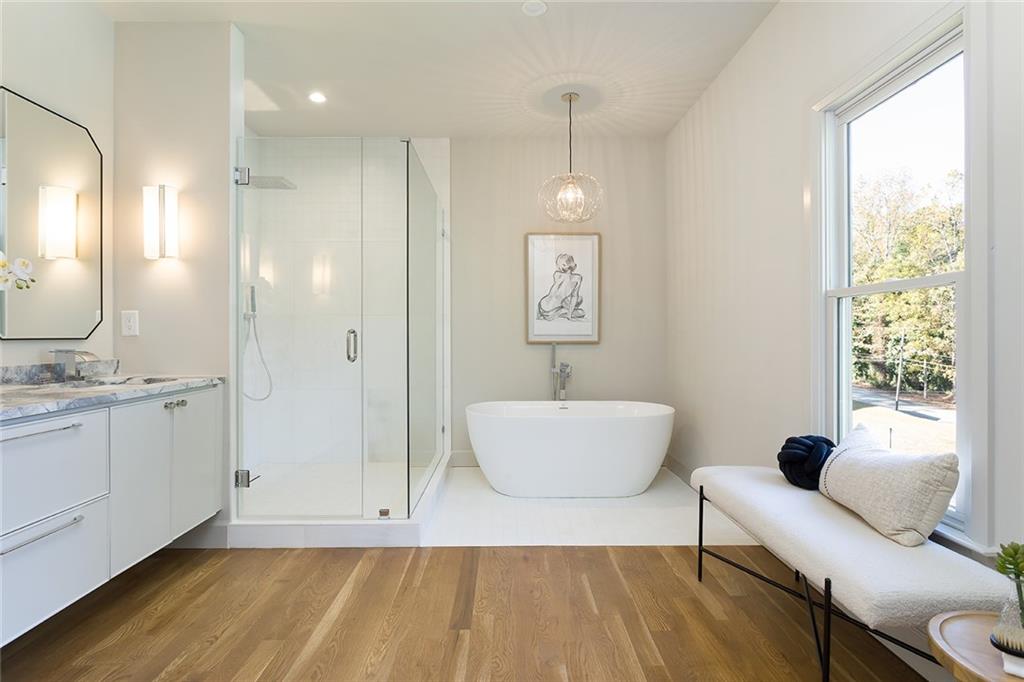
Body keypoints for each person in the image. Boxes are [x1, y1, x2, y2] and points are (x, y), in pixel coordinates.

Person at [537, 253, 585, 321]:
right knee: (581, 311)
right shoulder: (577, 278)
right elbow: (574, 297)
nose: (558, 267)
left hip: (542, 305)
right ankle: (560, 314)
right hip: (551, 311)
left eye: (559, 265)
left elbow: (556, 293)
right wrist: (569, 315)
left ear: (564, 265)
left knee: (577, 300)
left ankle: (560, 313)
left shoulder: (557, 274)